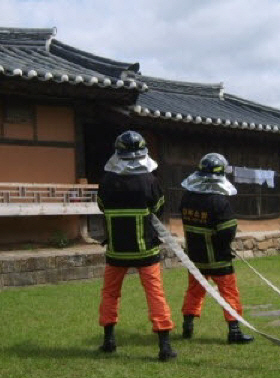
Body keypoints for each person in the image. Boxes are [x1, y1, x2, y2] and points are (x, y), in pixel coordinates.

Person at [96, 130, 177, 361]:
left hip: (116, 251)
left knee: (110, 293)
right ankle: (164, 347)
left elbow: (101, 205)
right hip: (146, 249)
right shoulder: (150, 180)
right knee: (155, 294)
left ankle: (109, 341)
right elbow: (158, 208)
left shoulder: (107, 181)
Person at [179, 153, 254, 344]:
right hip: (219, 258)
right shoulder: (219, 201)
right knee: (229, 293)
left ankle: (187, 325)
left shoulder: (187, 198)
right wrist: (224, 245)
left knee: (194, 291)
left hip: (195, 258)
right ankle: (234, 331)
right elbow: (228, 230)